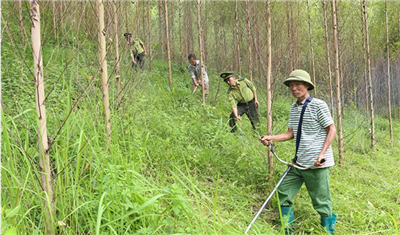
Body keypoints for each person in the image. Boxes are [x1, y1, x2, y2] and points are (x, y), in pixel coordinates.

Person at [259, 69, 337, 234]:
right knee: (283, 191)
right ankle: (287, 229)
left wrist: (321, 154)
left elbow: (331, 129)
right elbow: (291, 133)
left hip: (316, 163)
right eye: (291, 85)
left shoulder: (318, 105)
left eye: (298, 84)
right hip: (299, 162)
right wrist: (271, 137)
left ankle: (327, 231)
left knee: (321, 200)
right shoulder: (293, 108)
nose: (294, 88)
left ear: (307, 85)